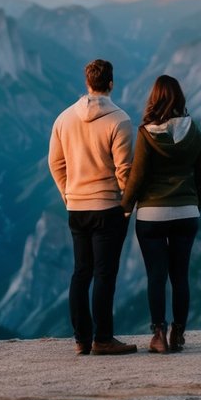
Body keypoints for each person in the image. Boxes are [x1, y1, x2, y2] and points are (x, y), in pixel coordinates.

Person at [48, 59, 138, 356]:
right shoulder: (120, 120)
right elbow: (124, 170)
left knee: (80, 273)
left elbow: (55, 163)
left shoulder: (63, 119)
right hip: (107, 207)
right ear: (111, 83)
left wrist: (67, 193)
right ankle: (103, 338)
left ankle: (80, 340)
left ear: (87, 83)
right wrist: (126, 206)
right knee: (104, 275)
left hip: (76, 208)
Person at [121, 75, 201, 354]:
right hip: (186, 212)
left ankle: (158, 334)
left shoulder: (146, 133)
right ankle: (179, 334)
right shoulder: (193, 130)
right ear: (179, 98)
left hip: (152, 216)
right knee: (180, 276)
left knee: (156, 276)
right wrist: (196, 204)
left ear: (154, 99)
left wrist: (125, 206)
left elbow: (138, 176)